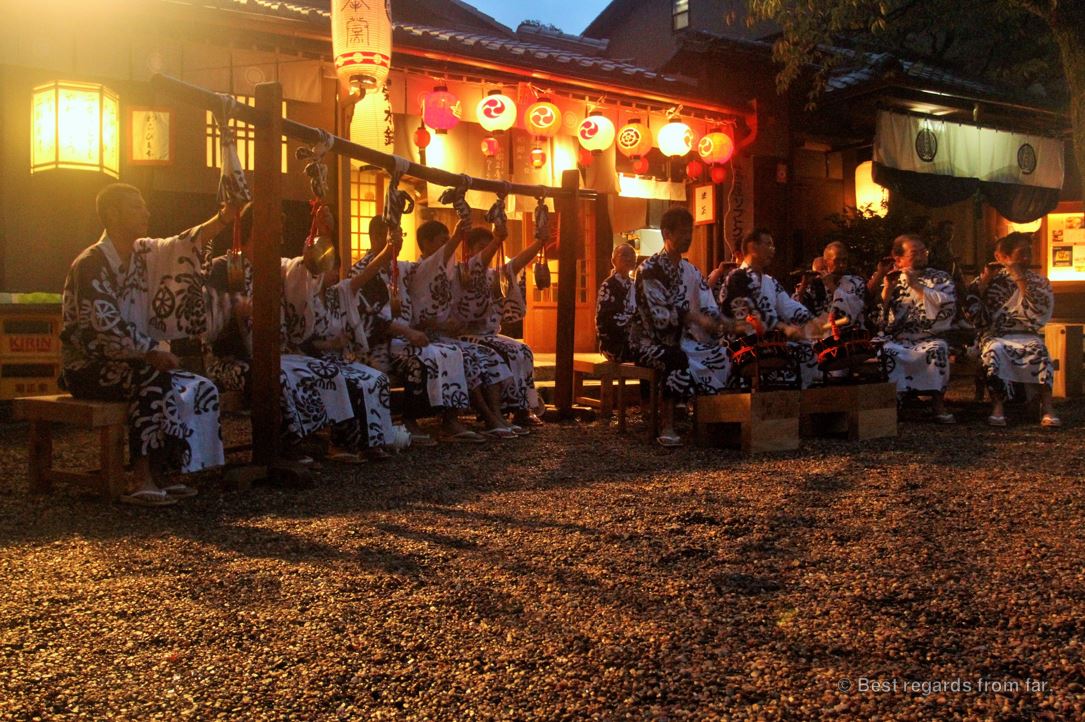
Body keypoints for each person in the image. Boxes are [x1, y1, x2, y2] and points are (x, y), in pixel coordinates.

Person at [60, 183, 227, 506]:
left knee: (199, 385)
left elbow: (179, 246)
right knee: (153, 378)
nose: (146, 213)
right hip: (87, 367)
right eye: (137, 207)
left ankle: (168, 470)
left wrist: (222, 219)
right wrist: (151, 350)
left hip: (132, 360)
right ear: (112, 214)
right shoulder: (92, 263)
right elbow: (102, 322)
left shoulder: (142, 255)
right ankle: (142, 477)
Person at [203, 203, 356, 464]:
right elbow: (205, 314)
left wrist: (322, 232)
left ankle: (324, 441)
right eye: (277, 230)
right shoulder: (223, 266)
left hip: (280, 354)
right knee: (277, 376)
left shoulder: (279, 268)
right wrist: (235, 308)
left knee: (327, 371)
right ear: (256, 229)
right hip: (232, 360)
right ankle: (284, 447)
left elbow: (307, 268)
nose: (282, 236)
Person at [350, 217, 478, 444]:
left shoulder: (399, 268)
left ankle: (450, 419)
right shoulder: (362, 271)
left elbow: (429, 268)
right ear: (378, 237)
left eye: (401, 236)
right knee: (420, 362)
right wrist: (407, 332)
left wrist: (457, 238)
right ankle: (409, 420)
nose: (399, 242)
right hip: (377, 345)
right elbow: (367, 319)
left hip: (404, 341)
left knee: (451, 353)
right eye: (395, 236)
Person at [630, 207, 731, 446]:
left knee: (723, 352)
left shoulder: (691, 270)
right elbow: (661, 319)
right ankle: (668, 424)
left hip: (689, 338)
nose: (688, 237)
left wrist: (718, 324)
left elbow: (707, 304)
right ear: (667, 233)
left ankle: (714, 418)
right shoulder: (649, 270)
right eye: (683, 233)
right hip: (650, 342)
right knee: (676, 357)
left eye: (690, 232)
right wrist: (693, 319)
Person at [408, 219, 517, 440]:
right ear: (426, 244)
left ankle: (497, 415)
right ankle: (458, 420)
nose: (448, 245)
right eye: (443, 241)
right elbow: (412, 318)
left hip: (447, 337)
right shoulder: (414, 271)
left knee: (489, 356)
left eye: (450, 240)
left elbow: (482, 265)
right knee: (462, 357)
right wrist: (439, 324)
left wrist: (499, 240)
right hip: (422, 339)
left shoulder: (453, 272)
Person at [304, 243, 399, 461]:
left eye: (336, 268)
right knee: (346, 382)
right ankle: (339, 444)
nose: (334, 273)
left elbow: (366, 274)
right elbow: (302, 340)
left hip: (340, 358)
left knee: (376, 380)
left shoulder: (339, 294)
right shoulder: (303, 297)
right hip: (314, 359)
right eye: (330, 268)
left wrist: (387, 251)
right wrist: (330, 345)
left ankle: (372, 442)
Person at [454, 224, 549, 428]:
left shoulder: (494, 274)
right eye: (481, 246)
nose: (487, 251)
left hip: (489, 335)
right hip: (466, 334)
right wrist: (497, 240)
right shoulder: (464, 271)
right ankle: (508, 409)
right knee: (509, 353)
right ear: (469, 249)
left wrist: (539, 243)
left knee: (524, 350)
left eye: (489, 247)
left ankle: (523, 409)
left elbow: (516, 263)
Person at [963, 232, 1060, 427]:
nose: (1026, 258)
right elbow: (971, 312)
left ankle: (1048, 407)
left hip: (1026, 334)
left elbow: (1038, 310)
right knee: (994, 351)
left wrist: (1020, 279)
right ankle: (998, 407)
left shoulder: (1039, 281)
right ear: (1003, 257)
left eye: (1029, 253)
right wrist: (983, 283)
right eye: (1021, 253)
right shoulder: (990, 279)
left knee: (1039, 351)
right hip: (995, 334)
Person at [719, 228, 821, 388]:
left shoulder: (770, 282)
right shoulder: (737, 277)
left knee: (808, 348)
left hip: (770, 342)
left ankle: (797, 403)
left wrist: (813, 320)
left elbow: (789, 306)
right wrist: (784, 328)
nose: (773, 250)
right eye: (768, 244)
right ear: (753, 247)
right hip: (743, 345)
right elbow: (752, 311)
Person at [876, 233, 957, 422]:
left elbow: (947, 304)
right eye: (915, 253)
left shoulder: (940, 278)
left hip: (928, 336)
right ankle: (894, 404)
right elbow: (878, 315)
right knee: (886, 352)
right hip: (898, 338)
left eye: (924, 251)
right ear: (898, 258)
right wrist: (887, 290)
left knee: (937, 349)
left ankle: (938, 404)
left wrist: (917, 286)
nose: (922, 256)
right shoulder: (891, 278)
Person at [596, 243, 637, 363]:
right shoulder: (608, 285)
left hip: (634, 338)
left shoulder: (636, 284)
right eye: (624, 255)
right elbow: (603, 321)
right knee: (648, 354)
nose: (629, 258)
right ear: (613, 260)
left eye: (632, 255)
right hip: (615, 343)